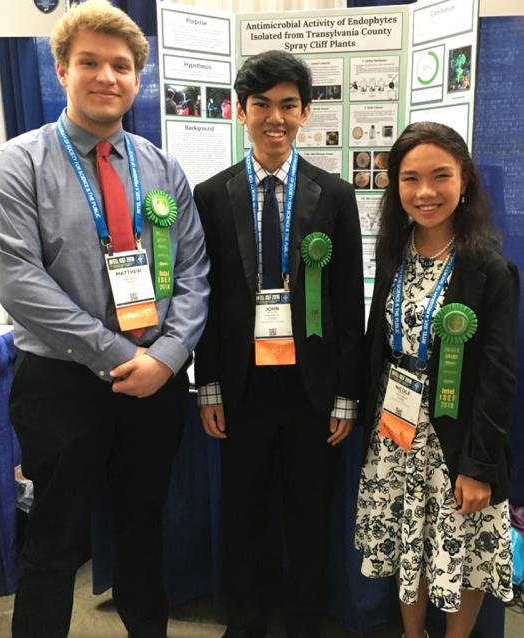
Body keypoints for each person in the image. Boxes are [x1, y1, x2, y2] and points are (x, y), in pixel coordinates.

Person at [0, 2, 209, 637]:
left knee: (142, 532)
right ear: (62, 70)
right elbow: (18, 278)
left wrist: (168, 358)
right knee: (55, 544)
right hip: (61, 385)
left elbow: (195, 272)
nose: (106, 76)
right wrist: (120, 354)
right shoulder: (19, 163)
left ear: (136, 79)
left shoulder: (161, 166)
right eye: (89, 62)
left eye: (121, 65)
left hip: (154, 385)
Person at [194, 50, 364, 638]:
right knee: (241, 514)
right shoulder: (211, 195)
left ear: (306, 113)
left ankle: (303, 623)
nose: (275, 117)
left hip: (310, 388)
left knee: (308, 515)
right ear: (240, 111)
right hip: (240, 387)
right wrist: (208, 382)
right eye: (261, 104)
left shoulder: (333, 195)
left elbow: (348, 303)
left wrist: (345, 392)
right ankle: (244, 623)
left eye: (288, 105)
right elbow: (206, 300)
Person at [355, 121, 519, 638]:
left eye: (440, 176)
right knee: (411, 544)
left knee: (461, 550)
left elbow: (498, 377)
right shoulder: (392, 255)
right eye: (410, 179)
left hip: (457, 439)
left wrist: (478, 464)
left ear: (465, 180)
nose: (425, 192)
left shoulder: (489, 269)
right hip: (396, 435)